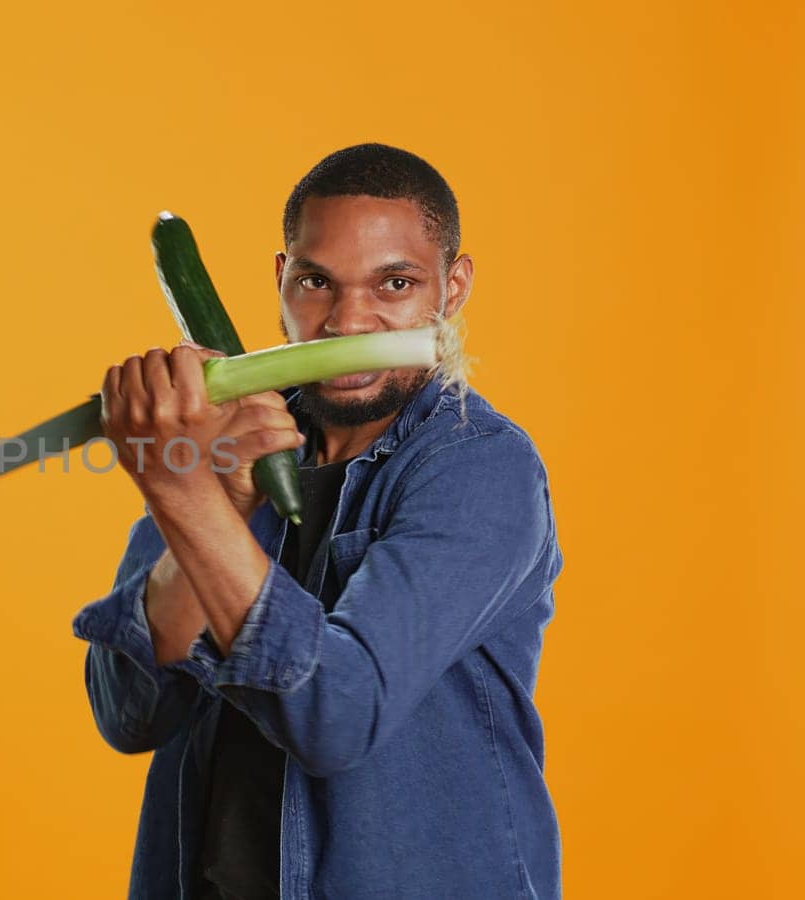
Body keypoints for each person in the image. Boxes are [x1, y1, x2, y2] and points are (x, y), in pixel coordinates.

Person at [72, 144, 563, 899]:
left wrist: (183, 497)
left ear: (453, 287)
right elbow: (128, 712)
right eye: (316, 283)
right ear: (280, 281)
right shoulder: (223, 444)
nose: (347, 321)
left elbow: (336, 713)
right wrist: (218, 503)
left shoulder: (481, 467)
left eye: (395, 283)